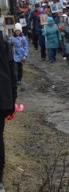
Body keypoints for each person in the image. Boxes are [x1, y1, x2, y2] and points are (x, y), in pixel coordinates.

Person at [0, 32, 18, 192]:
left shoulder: (4, 44)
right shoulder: (4, 43)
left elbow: (11, 72)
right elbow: (12, 72)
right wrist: (12, 98)